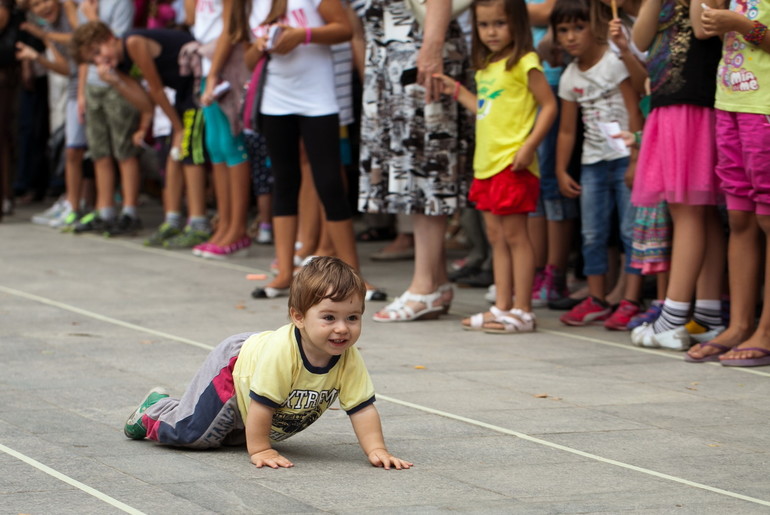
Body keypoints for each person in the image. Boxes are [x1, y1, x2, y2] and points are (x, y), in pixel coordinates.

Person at [123, 257, 413, 469]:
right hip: (236, 366)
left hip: (256, 385)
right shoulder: (282, 353)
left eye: (352, 318)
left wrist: (377, 450)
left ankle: (194, 413)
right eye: (329, 317)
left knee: (231, 438)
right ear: (298, 317)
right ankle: (154, 410)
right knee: (192, 435)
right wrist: (261, 449)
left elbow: (362, 408)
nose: (342, 328)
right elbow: (262, 405)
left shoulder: (348, 357)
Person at [238, 0, 385, 301]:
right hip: (275, 102)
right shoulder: (253, 4)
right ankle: (283, 275)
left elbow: (344, 29)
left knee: (330, 183)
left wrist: (302, 35)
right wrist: (263, 45)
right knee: (284, 182)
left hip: (318, 100)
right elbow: (249, 60)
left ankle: (354, 277)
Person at [434, 0, 557, 333]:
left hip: (513, 164)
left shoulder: (526, 62)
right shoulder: (486, 65)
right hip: (486, 165)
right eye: (484, 24)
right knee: (495, 237)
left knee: (516, 237)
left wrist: (529, 145)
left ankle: (523, 309)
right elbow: (485, 109)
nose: (491, 32)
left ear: (517, 22)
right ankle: (502, 305)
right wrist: (456, 90)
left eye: (499, 23)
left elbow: (549, 106)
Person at [359, 0, 472, 322]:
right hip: (393, 55)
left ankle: (424, 287)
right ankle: (436, 283)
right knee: (411, 166)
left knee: (425, 167)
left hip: (416, 53)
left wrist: (432, 49)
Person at [628, 0, 726, 349]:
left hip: (695, 102)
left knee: (688, 209)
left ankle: (673, 316)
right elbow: (639, 40)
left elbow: (702, 28)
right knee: (700, 213)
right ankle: (709, 315)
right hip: (669, 103)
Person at [70, 21, 212, 248]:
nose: (99, 61)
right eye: (93, 60)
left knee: (188, 151)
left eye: (98, 52)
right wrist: (115, 80)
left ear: (109, 37)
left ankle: (199, 223)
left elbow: (155, 89)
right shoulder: (120, 64)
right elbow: (145, 104)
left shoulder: (133, 42)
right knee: (172, 156)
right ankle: (173, 220)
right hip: (179, 96)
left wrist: (178, 128)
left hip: (196, 85)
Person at [685, 0, 770, 366]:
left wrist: (740, 23)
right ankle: (738, 324)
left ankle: (765, 330)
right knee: (739, 217)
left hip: (764, 107)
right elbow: (702, 28)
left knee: (768, 217)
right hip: (730, 103)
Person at [551, 0, 644, 327]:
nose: (571, 37)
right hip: (592, 163)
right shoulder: (570, 76)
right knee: (592, 233)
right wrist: (561, 169)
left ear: (597, 26)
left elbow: (634, 112)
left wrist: (635, 159)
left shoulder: (614, 62)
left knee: (630, 231)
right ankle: (597, 298)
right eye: (563, 31)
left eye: (579, 27)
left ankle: (631, 299)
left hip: (623, 158)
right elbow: (566, 130)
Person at [69, 0, 143, 237]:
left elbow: (113, 44)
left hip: (116, 82)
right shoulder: (84, 5)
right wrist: (81, 92)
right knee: (99, 152)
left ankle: (130, 211)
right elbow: (84, 52)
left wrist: (93, 18)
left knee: (124, 149)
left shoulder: (120, 3)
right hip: (92, 86)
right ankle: (105, 210)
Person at [18, 0, 89, 230]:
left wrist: (46, 34)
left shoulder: (71, 13)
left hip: (92, 83)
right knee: (72, 149)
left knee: (86, 151)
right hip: (73, 87)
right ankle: (73, 203)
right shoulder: (48, 30)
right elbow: (67, 68)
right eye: (35, 6)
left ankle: (82, 203)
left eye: (44, 1)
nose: (43, 7)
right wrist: (37, 57)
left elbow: (83, 38)